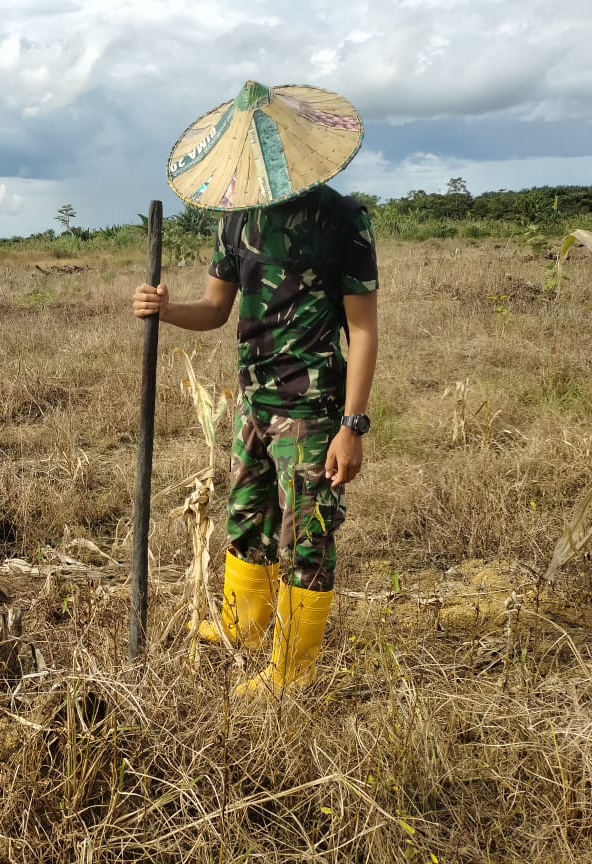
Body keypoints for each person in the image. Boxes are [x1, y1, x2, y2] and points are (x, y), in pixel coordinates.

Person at [133, 81, 379, 700]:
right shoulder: (235, 219)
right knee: (246, 520)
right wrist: (163, 309)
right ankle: (243, 627)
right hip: (254, 404)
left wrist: (352, 427)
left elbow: (364, 329)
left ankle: (290, 674)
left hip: (314, 412)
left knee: (308, 536)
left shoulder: (342, 219)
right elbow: (216, 310)